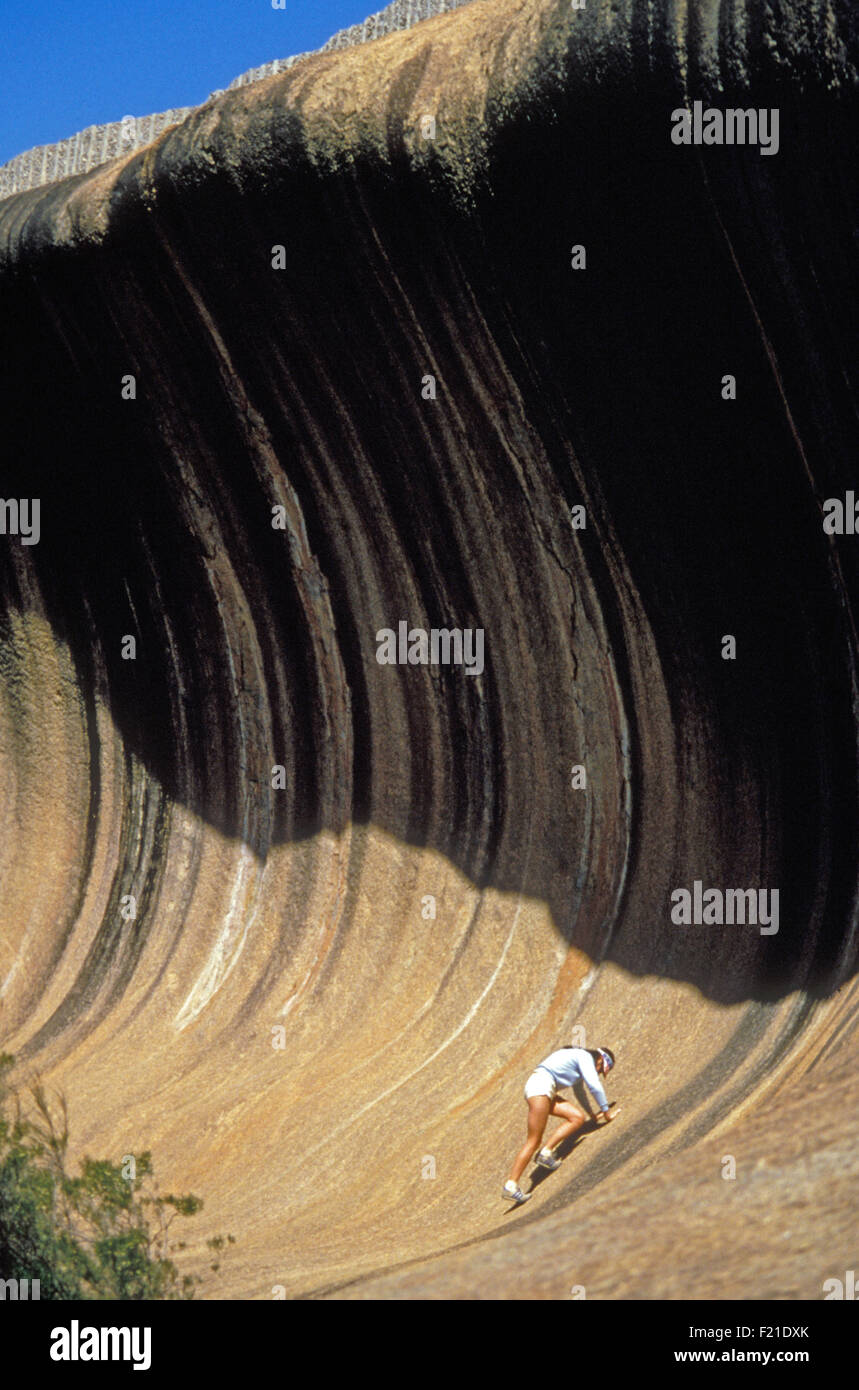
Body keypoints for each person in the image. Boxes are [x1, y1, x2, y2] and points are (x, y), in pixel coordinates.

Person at [502, 1045, 616, 1204]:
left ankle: (546, 1153)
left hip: (544, 1087)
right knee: (533, 1140)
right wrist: (606, 1111)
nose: (598, 1072)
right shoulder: (584, 1057)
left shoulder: (578, 1057)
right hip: (540, 1088)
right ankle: (511, 1185)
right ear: (600, 1059)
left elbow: (579, 1091)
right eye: (600, 1069)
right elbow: (594, 1085)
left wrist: (592, 1114)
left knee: (577, 1118)